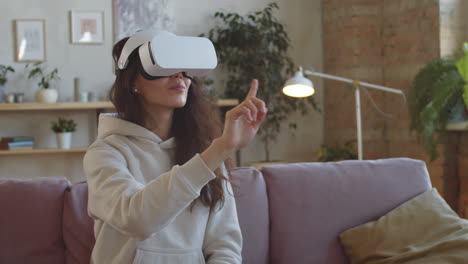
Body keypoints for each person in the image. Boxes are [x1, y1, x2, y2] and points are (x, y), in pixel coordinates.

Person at [83, 31, 268, 264]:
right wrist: (219, 150)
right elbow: (137, 218)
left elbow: (224, 246)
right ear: (132, 82)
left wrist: (216, 152)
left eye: (183, 68)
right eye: (163, 66)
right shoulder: (106, 152)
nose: (179, 75)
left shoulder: (206, 152)